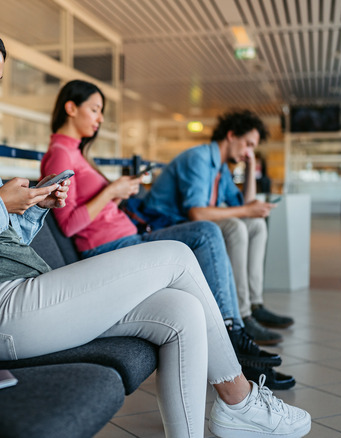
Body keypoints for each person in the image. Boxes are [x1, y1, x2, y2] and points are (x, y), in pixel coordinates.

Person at [0, 15, 310, 438]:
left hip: (28, 291)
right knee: (178, 255)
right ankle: (238, 399)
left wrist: (31, 207)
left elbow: (3, 239)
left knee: (183, 311)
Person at [40, 79, 293, 388]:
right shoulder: (60, 155)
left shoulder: (75, 154)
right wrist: (111, 192)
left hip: (125, 238)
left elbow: (88, 210)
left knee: (209, 235)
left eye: (101, 111)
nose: (100, 118)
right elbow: (68, 224)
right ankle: (233, 332)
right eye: (94, 109)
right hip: (109, 248)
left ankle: (234, 334)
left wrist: (115, 194)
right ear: (71, 108)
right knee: (205, 232)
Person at [142, 110, 295, 336]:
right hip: (162, 227)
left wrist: (252, 165)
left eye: (253, 148)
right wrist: (246, 209)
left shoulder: (222, 168)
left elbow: (246, 204)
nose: (249, 152)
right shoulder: (200, 159)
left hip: (191, 225)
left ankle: (254, 304)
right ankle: (241, 316)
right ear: (231, 135)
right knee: (235, 227)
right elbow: (196, 213)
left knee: (256, 225)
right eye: (248, 145)